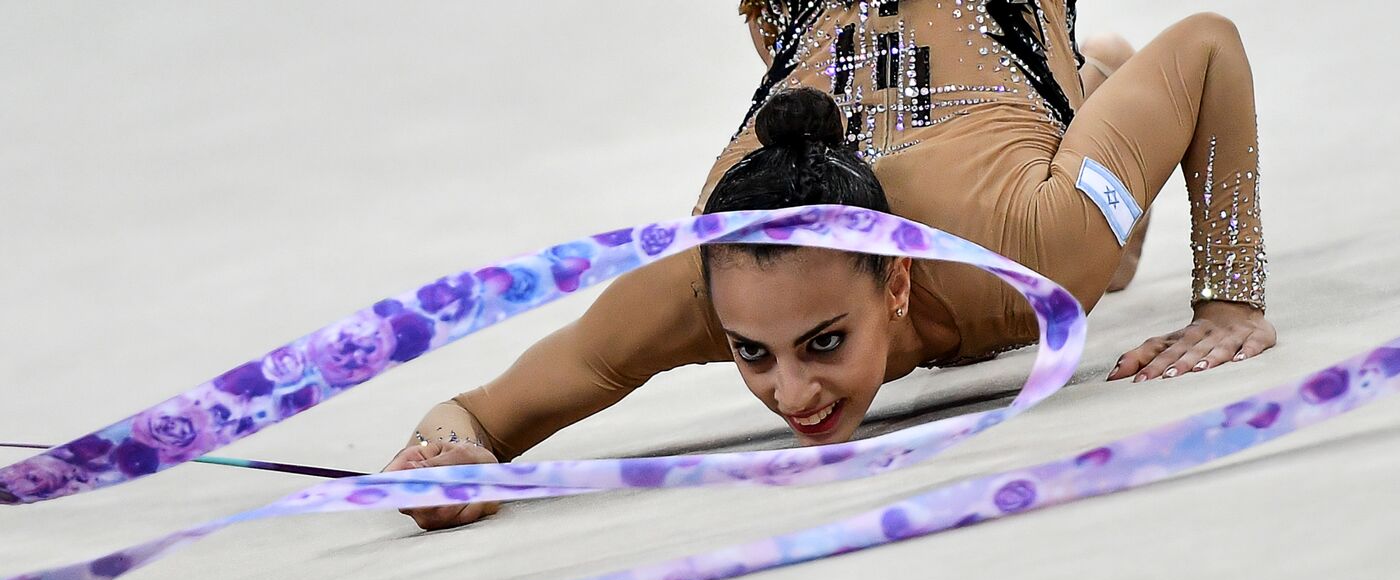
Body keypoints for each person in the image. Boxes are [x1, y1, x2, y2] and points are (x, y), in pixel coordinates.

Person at [386, 1, 1275, 530]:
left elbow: (1206, 47)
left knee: (1097, 232)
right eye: (753, 353)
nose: (794, 395)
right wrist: (445, 458)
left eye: (822, 341)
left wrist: (1229, 300)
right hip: (827, 31)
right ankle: (1095, 95)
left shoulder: (1029, 248)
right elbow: (473, 417)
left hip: (988, 50)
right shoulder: (706, 282)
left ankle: (1083, 87)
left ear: (896, 282)